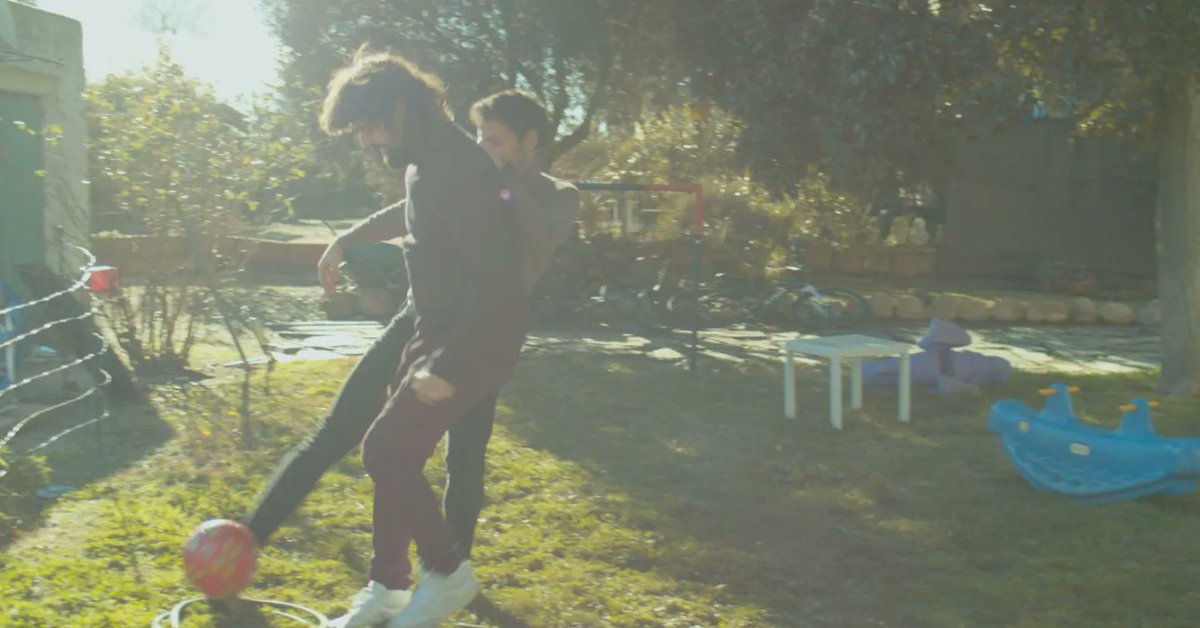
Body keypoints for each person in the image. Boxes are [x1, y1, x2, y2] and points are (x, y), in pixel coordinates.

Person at [240, 49, 578, 624]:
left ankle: (445, 575)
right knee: (392, 451)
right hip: (428, 327)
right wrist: (347, 238)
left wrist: (449, 361)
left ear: (400, 109)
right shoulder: (427, 165)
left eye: (370, 126)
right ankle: (392, 584)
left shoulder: (475, 173)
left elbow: (496, 278)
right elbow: (417, 213)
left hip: (469, 338)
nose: (368, 141)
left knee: (415, 455)